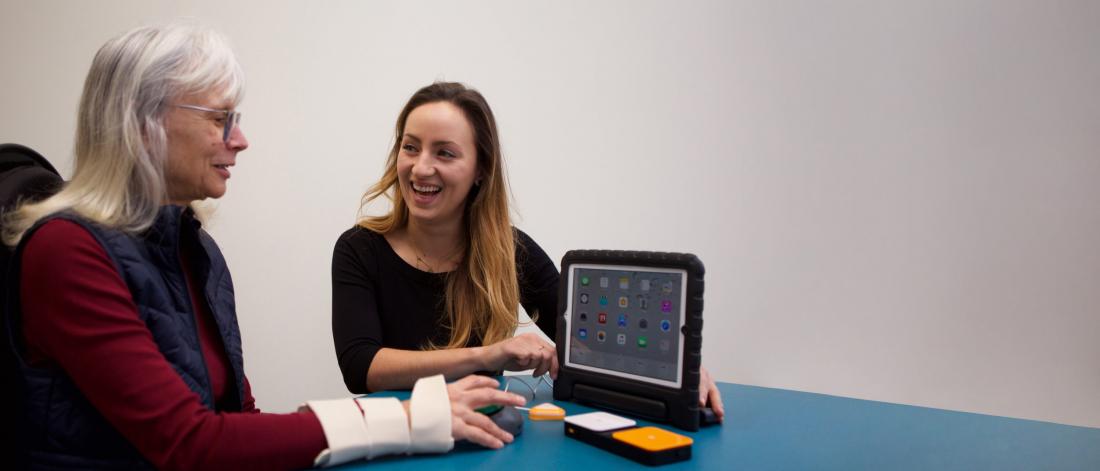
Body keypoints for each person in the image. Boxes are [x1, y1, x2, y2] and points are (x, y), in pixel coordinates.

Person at [2, 23, 523, 471]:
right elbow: (189, 444)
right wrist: (409, 418)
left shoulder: (198, 252)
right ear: (143, 124)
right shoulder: (66, 251)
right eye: (219, 118)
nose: (240, 139)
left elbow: (238, 423)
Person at [330, 82, 724, 418]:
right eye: (411, 147)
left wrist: (671, 372)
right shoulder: (359, 250)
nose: (420, 168)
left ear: (481, 169)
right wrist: (489, 355)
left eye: (444, 153)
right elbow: (361, 366)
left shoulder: (509, 249)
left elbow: (585, 343)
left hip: (483, 440)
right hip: (398, 440)